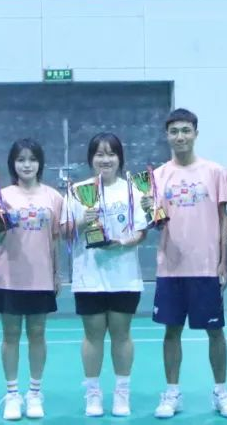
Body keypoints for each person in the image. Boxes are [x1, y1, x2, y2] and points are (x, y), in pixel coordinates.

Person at [148, 108, 227, 419]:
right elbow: (154, 220)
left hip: (206, 267)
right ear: (167, 136)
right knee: (171, 332)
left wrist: (224, 262)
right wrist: (150, 217)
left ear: (196, 134)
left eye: (186, 130)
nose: (180, 137)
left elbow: (224, 219)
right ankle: (172, 392)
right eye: (174, 131)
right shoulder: (157, 176)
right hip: (171, 268)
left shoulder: (215, 172)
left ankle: (221, 391)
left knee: (215, 332)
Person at [64, 132, 148, 418]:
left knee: (122, 335)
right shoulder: (77, 191)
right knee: (93, 336)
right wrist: (81, 221)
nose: (105, 159)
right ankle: (93, 394)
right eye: (99, 154)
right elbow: (63, 231)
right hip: (89, 278)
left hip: (124, 277)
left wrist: (122, 242)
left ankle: (122, 393)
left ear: (120, 159)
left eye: (111, 154)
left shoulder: (133, 190)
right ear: (91, 159)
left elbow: (141, 231)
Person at [0, 139, 64, 420]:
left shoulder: (53, 197)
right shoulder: (1, 195)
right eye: (21, 159)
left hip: (41, 277)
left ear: (40, 163)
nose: (27, 164)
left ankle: (34, 393)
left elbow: (55, 239)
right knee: (10, 335)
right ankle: (12, 394)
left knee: (37, 333)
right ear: (13, 164)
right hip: (8, 276)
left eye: (32, 159)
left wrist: (56, 273)